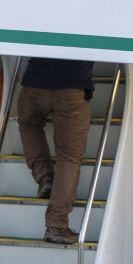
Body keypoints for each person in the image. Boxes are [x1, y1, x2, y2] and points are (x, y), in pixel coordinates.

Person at [14, 57, 95, 244]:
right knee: (69, 158)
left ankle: (44, 177)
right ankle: (56, 226)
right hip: (72, 87)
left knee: (29, 125)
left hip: (35, 83)